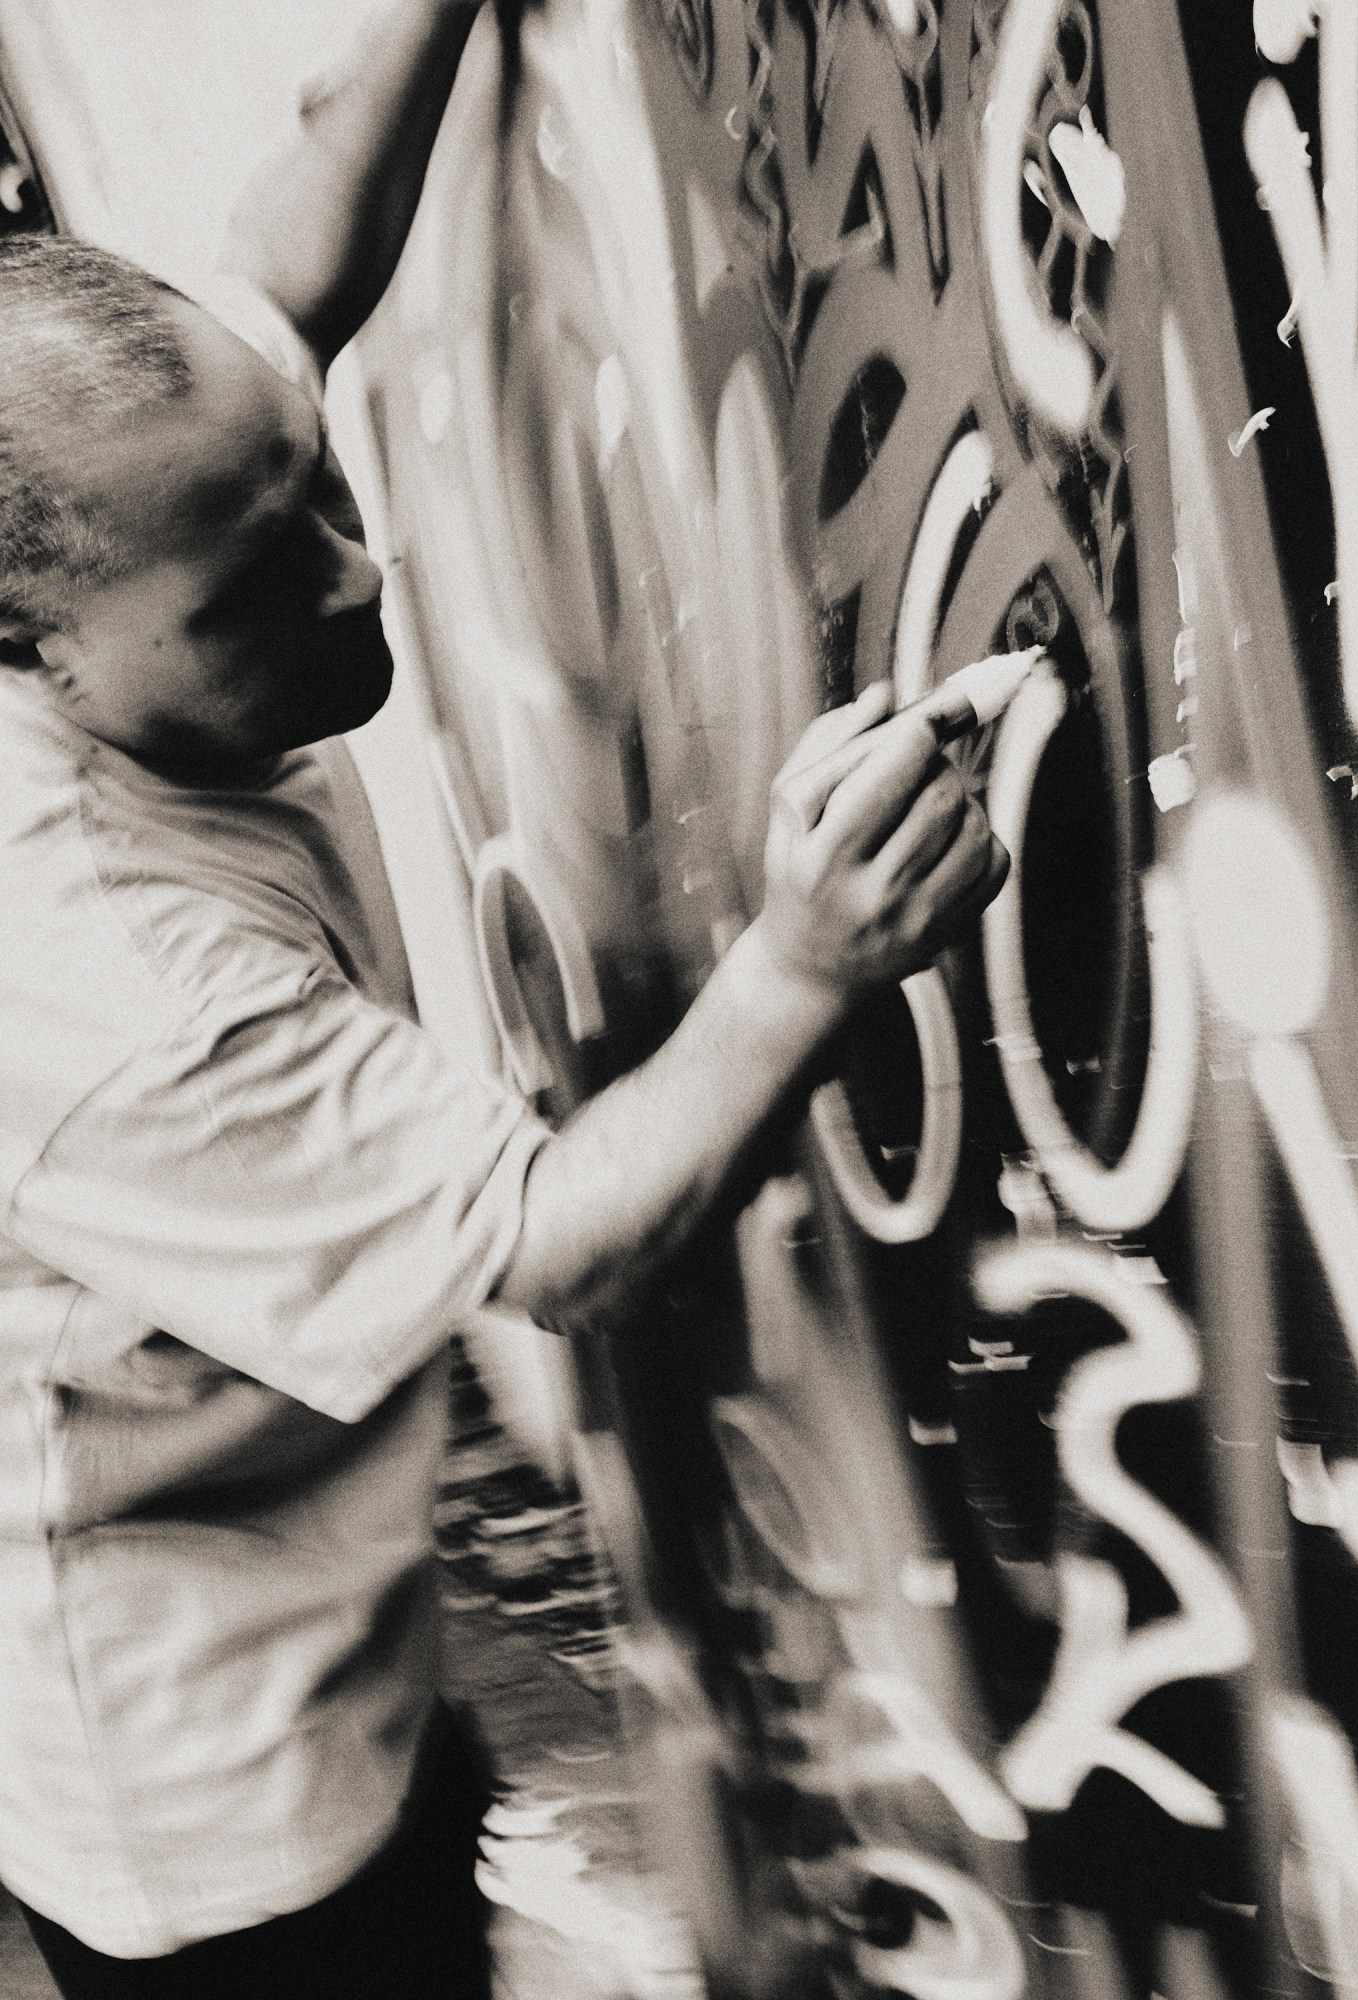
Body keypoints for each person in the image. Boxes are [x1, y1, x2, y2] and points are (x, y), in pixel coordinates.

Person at [0, 2, 1009, 1995]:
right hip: (220, 1804)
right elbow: (557, 1245)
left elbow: (295, 247)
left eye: (319, 491)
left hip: (311, 1609)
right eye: (252, 585)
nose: (356, 583)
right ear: (34, 657)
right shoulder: (109, 986)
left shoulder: (130, 473)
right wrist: (805, 956)